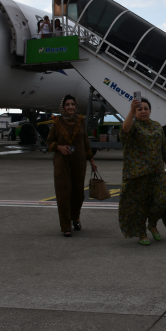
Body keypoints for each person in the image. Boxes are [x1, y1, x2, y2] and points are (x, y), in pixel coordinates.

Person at [119, 97, 166, 245]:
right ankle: (141, 233)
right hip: (138, 174)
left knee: (160, 201)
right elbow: (125, 130)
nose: (143, 111)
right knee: (139, 205)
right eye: (139, 109)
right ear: (135, 112)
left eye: (146, 109)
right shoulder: (133, 126)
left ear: (150, 110)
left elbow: (163, 148)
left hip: (157, 172)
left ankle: (152, 224)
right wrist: (131, 111)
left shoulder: (157, 126)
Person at [47, 95, 96, 237]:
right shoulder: (57, 123)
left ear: (76, 106)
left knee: (78, 194)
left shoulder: (80, 121)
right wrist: (59, 147)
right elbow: (49, 141)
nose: (70, 107)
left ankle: (76, 217)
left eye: (72, 104)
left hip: (79, 162)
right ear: (63, 107)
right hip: (62, 163)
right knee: (63, 194)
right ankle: (66, 226)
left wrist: (91, 160)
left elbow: (86, 142)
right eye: (67, 104)